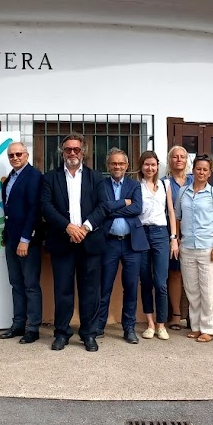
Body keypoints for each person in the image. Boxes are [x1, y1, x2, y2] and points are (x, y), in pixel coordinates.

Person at [40, 132, 109, 352]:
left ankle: (89, 334)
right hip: (62, 241)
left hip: (90, 241)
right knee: (63, 291)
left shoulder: (96, 177)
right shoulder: (50, 178)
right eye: (68, 149)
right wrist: (67, 227)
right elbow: (46, 207)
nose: (72, 153)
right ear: (62, 152)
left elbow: (103, 207)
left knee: (90, 292)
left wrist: (84, 227)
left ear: (83, 152)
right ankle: (62, 333)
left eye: (76, 149)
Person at [93, 148, 147, 344]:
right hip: (109, 242)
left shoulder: (134, 185)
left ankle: (129, 328)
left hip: (132, 243)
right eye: (114, 163)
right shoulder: (102, 184)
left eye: (121, 163)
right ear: (108, 165)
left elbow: (137, 208)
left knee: (131, 287)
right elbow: (101, 209)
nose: (117, 166)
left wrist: (111, 209)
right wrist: (123, 203)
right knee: (104, 285)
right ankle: (99, 325)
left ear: (127, 166)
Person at [174, 155, 213, 343]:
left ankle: (208, 328)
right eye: (198, 169)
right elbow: (177, 217)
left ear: (210, 173)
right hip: (187, 247)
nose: (201, 172)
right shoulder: (183, 192)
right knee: (192, 291)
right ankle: (195, 327)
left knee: (208, 291)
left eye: (205, 169)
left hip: (208, 247)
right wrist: (177, 239)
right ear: (193, 170)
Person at [0, 141, 43, 343]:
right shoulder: (11, 177)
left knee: (30, 285)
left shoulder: (34, 176)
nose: (15, 157)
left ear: (27, 155)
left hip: (27, 241)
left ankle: (32, 328)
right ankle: (18, 324)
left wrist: (26, 239)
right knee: (16, 284)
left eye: (18, 154)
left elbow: (34, 209)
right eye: (11, 155)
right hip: (11, 239)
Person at [137, 150, 174, 340]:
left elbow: (171, 211)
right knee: (146, 280)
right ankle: (150, 323)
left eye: (153, 164)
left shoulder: (165, 184)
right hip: (142, 233)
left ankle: (161, 324)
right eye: (146, 164)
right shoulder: (137, 186)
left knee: (160, 282)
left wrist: (173, 237)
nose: (150, 168)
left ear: (158, 166)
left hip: (161, 233)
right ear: (141, 166)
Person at [163, 145, 192, 330]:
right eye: (175, 156)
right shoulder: (164, 182)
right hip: (171, 232)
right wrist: (174, 236)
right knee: (175, 272)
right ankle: (175, 314)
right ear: (169, 160)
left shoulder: (194, 180)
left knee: (192, 274)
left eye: (182, 156)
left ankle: (193, 314)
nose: (179, 159)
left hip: (193, 231)